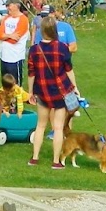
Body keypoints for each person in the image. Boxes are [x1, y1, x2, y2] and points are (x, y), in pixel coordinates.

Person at [26, 17, 76, 169]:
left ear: (41, 31)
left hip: (42, 91)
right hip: (60, 91)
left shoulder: (34, 50)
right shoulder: (62, 48)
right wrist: (75, 86)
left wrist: (30, 92)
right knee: (58, 127)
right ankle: (56, 161)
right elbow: (68, 70)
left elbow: (31, 73)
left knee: (40, 125)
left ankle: (34, 158)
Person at [0, 0, 30, 84]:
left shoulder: (23, 20)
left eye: (8, 5)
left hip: (15, 57)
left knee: (15, 84)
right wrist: (9, 35)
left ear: (16, 6)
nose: (7, 8)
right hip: (4, 56)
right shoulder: (6, 18)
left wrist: (4, 36)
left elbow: (15, 40)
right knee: (5, 83)